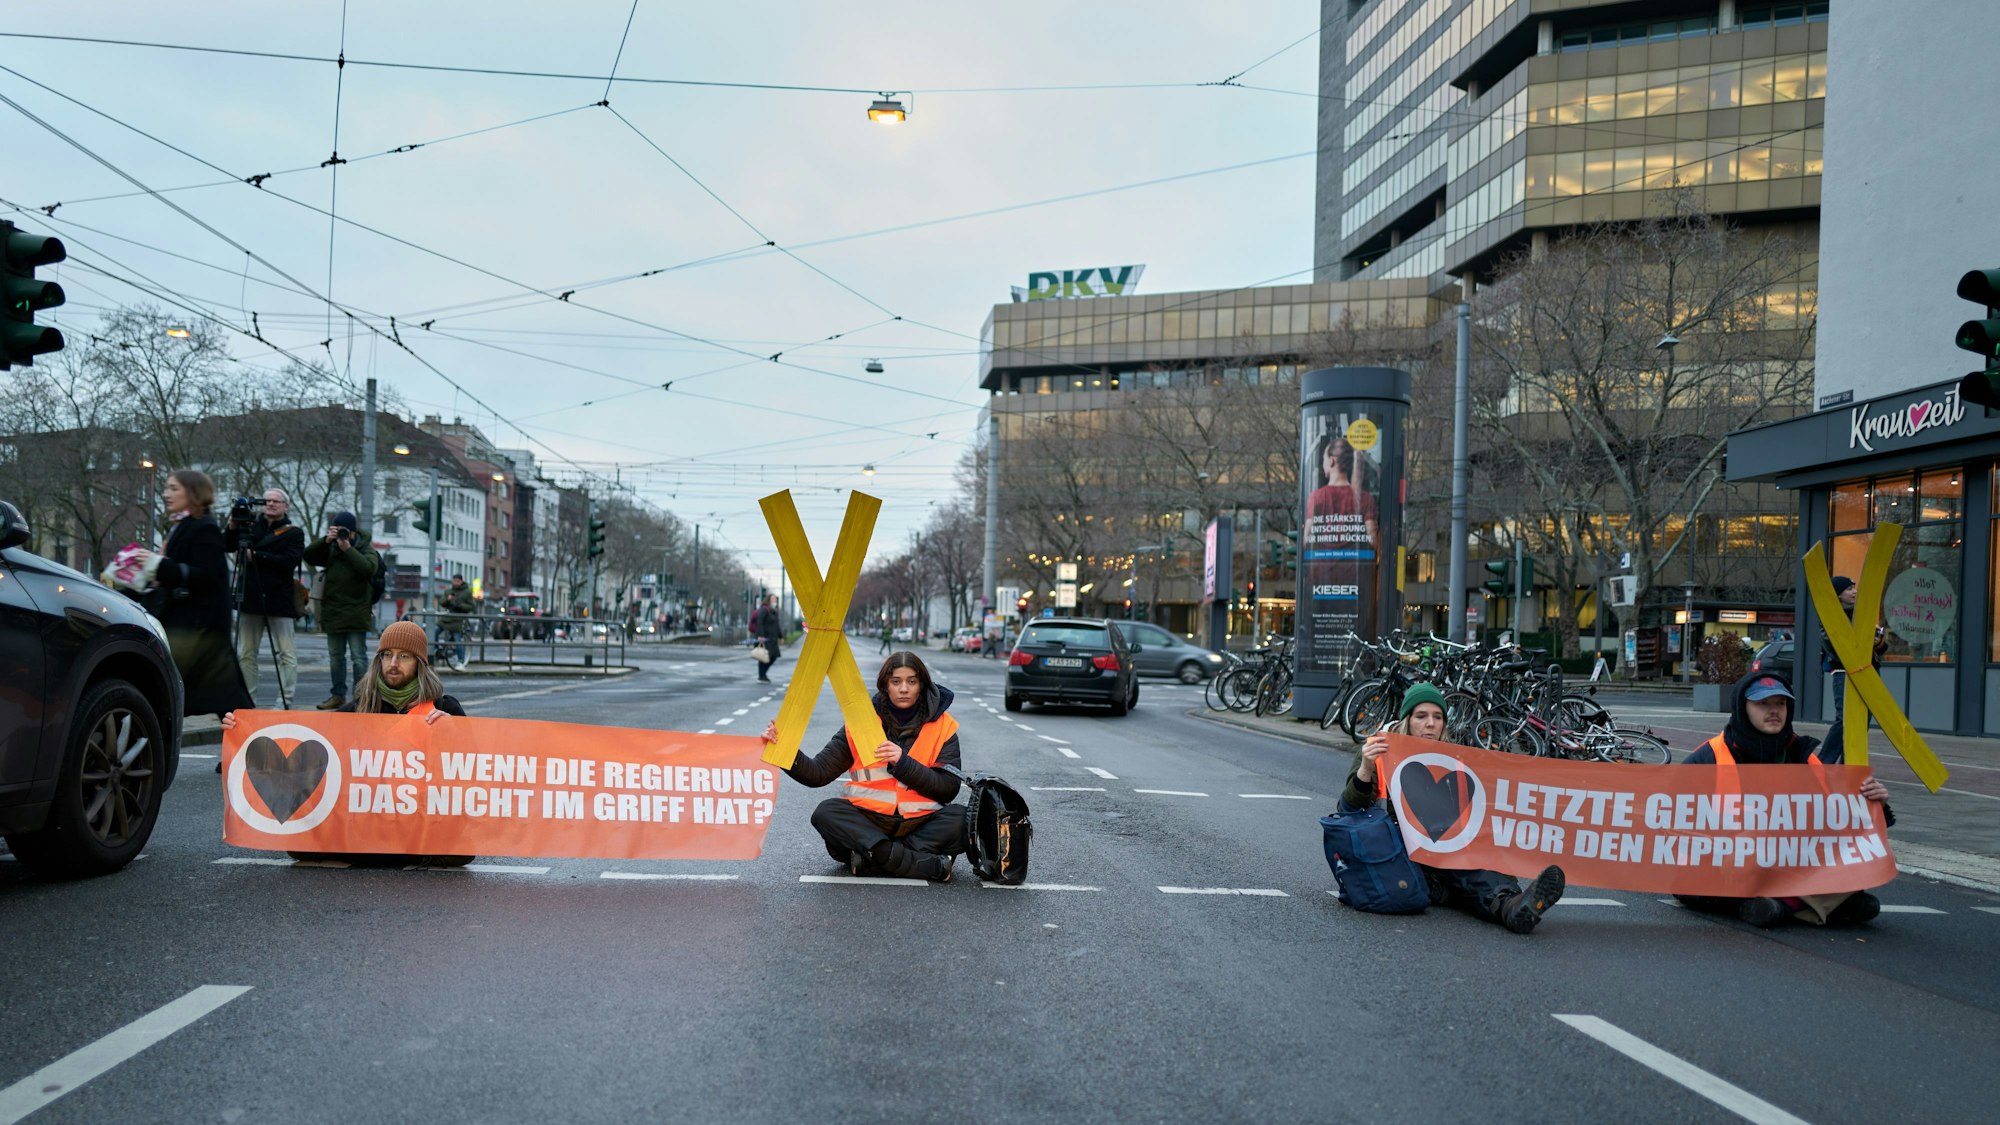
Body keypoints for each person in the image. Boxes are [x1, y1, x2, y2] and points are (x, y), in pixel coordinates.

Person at [222, 621, 470, 867]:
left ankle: (378, 850)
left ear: (420, 663)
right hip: (370, 818)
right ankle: (389, 850)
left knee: (462, 850)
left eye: (404, 656)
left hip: (418, 818)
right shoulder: (358, 708)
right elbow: (309, 738)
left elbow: (476, 768)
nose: (393, 664)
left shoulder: (444, 708)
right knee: (298, 845)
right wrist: (244, 730)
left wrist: (453, 732)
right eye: (387, 655)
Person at [1344, 683, 1567, 934]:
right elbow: (1348, 810)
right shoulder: (1379, 749)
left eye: (1437, 717)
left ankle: (1513, 906)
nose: (1430, 724)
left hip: (1439, 850)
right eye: (1421, 716)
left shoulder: (1454, 758)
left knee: (1471, 861)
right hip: (1394, 850)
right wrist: (1365, 769)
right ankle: (1467, 893)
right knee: (1461, 875)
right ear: (1407, 719)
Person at [1675, 672, 1890, 928]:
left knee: (1856, 856)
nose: (1774, 711)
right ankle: (1808, 902)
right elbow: (1673, 826)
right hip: (1726, 861)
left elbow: (1835, 822)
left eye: (1780, 703)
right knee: (1748, 850)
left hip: (1784, 862)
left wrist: (1875, 803)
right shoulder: (1707, 757)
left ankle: (1781, 903)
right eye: (1763, 704)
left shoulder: (1803, 755)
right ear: (1742, 709)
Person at [761, 652, 964, 882]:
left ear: (922, 685)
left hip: (920, 823)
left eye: (912, 681)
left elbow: (948, 789)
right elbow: (818, 773)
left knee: (962, 818)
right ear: (885, 685)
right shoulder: (860, 722)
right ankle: (922, 864)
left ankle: (874, 859)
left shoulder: (943, 726)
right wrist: (784, 748)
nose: (904, 688)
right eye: (896, 681)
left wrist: (903, 763)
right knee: (826, 813)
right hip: (870, 821)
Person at [133, 470, 254, 726]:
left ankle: (253, 752)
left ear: (192, 493)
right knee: (225, 698)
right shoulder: (185, 525)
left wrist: (159, 566)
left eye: (174, 488)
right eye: (166, 488)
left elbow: (207, 575)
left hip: (199, 630)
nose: (166, 494)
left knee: (173, 692)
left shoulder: (204, 528)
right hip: (194, 629)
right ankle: (252, 752)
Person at [224, 488, 305, 708]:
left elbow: (290, 560)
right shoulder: (249, 525)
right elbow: (227, 545)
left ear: (285, 506)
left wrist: (257, 556)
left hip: (279, 600)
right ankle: (248, 702)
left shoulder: (294, 533)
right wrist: (232, 525)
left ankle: (284, 703)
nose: (270, 504)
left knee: (286, 654)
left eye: (276, 501)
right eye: (267, 500)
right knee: (245, 653)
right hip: (250, 598)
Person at [302, 510, 380, 710]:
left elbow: (368, 569)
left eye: (344, 531)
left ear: (353, 532)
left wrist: (347, 549)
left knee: (358, 657)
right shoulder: (331, 548)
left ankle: (361, 697)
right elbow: (308, 556)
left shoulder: (365, 548)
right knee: (336, 656)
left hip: (357, 612)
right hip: (333, 611)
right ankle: (337, 695)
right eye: (337, 530)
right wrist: (325, 540)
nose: (341, 534)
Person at [1821, 575, 1887, 759]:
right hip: (1845, 672)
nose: (1854, 591)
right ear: (1838, 595)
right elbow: (1833, 646)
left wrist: (1878, 641)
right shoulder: (1831, 616)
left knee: (1863, 719)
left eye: (1854, 587)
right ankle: (1823, 764)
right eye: (1849, 589)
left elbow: (1879, 650)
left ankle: (1848, 764)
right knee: (1844, 720)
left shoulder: (1861, 614)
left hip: (1868, 670)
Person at [440, 574, 476, 671]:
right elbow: (442, 602)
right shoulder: (448, 591)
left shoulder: (467, 592)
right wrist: (448, 600)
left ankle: (461, 661)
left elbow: (471, 607)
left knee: (457, 639)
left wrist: (459, 605)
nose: (456, 583)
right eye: (454, 581)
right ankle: (436, 652)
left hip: (458, 620)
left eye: (458, 581)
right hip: (446, 618)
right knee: (433, 631)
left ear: (461, 581)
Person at [751, 593, 784, 682]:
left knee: (773, 656)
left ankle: (763, 674)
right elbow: (759, 622)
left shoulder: (774, 611)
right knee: (763, 656)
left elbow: (777, 625)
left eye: (776, 599)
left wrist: (781, 636)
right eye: (773, 599)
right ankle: (761, 676)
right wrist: (761, 635)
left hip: (772, 638)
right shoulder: (764, 609)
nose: (775, 601)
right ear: (768, 600)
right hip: (764, 638)